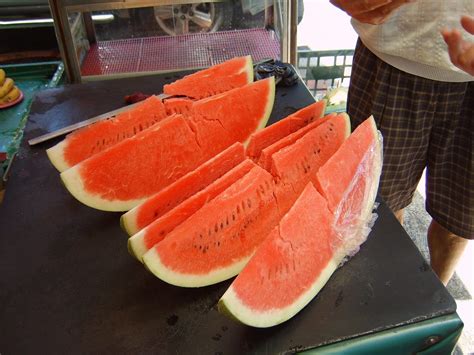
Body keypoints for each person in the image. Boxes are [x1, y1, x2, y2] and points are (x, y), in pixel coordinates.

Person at [330, 0, 473, 286]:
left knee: (459, 224)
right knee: (376, 210)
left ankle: (436, 296)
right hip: (389, 54)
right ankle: (385, 293)